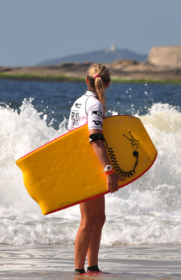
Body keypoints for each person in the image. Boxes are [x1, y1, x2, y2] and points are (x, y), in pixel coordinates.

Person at [67, 63, 124, 275]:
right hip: (89, 167)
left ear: (86, 80)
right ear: (107, 83)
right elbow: (95, 138)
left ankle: (93, 267)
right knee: (88, 220)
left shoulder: (79, 102)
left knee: (98, 218)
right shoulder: (95, 105)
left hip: (84, 163)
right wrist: (109, 170)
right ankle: (79, 271)